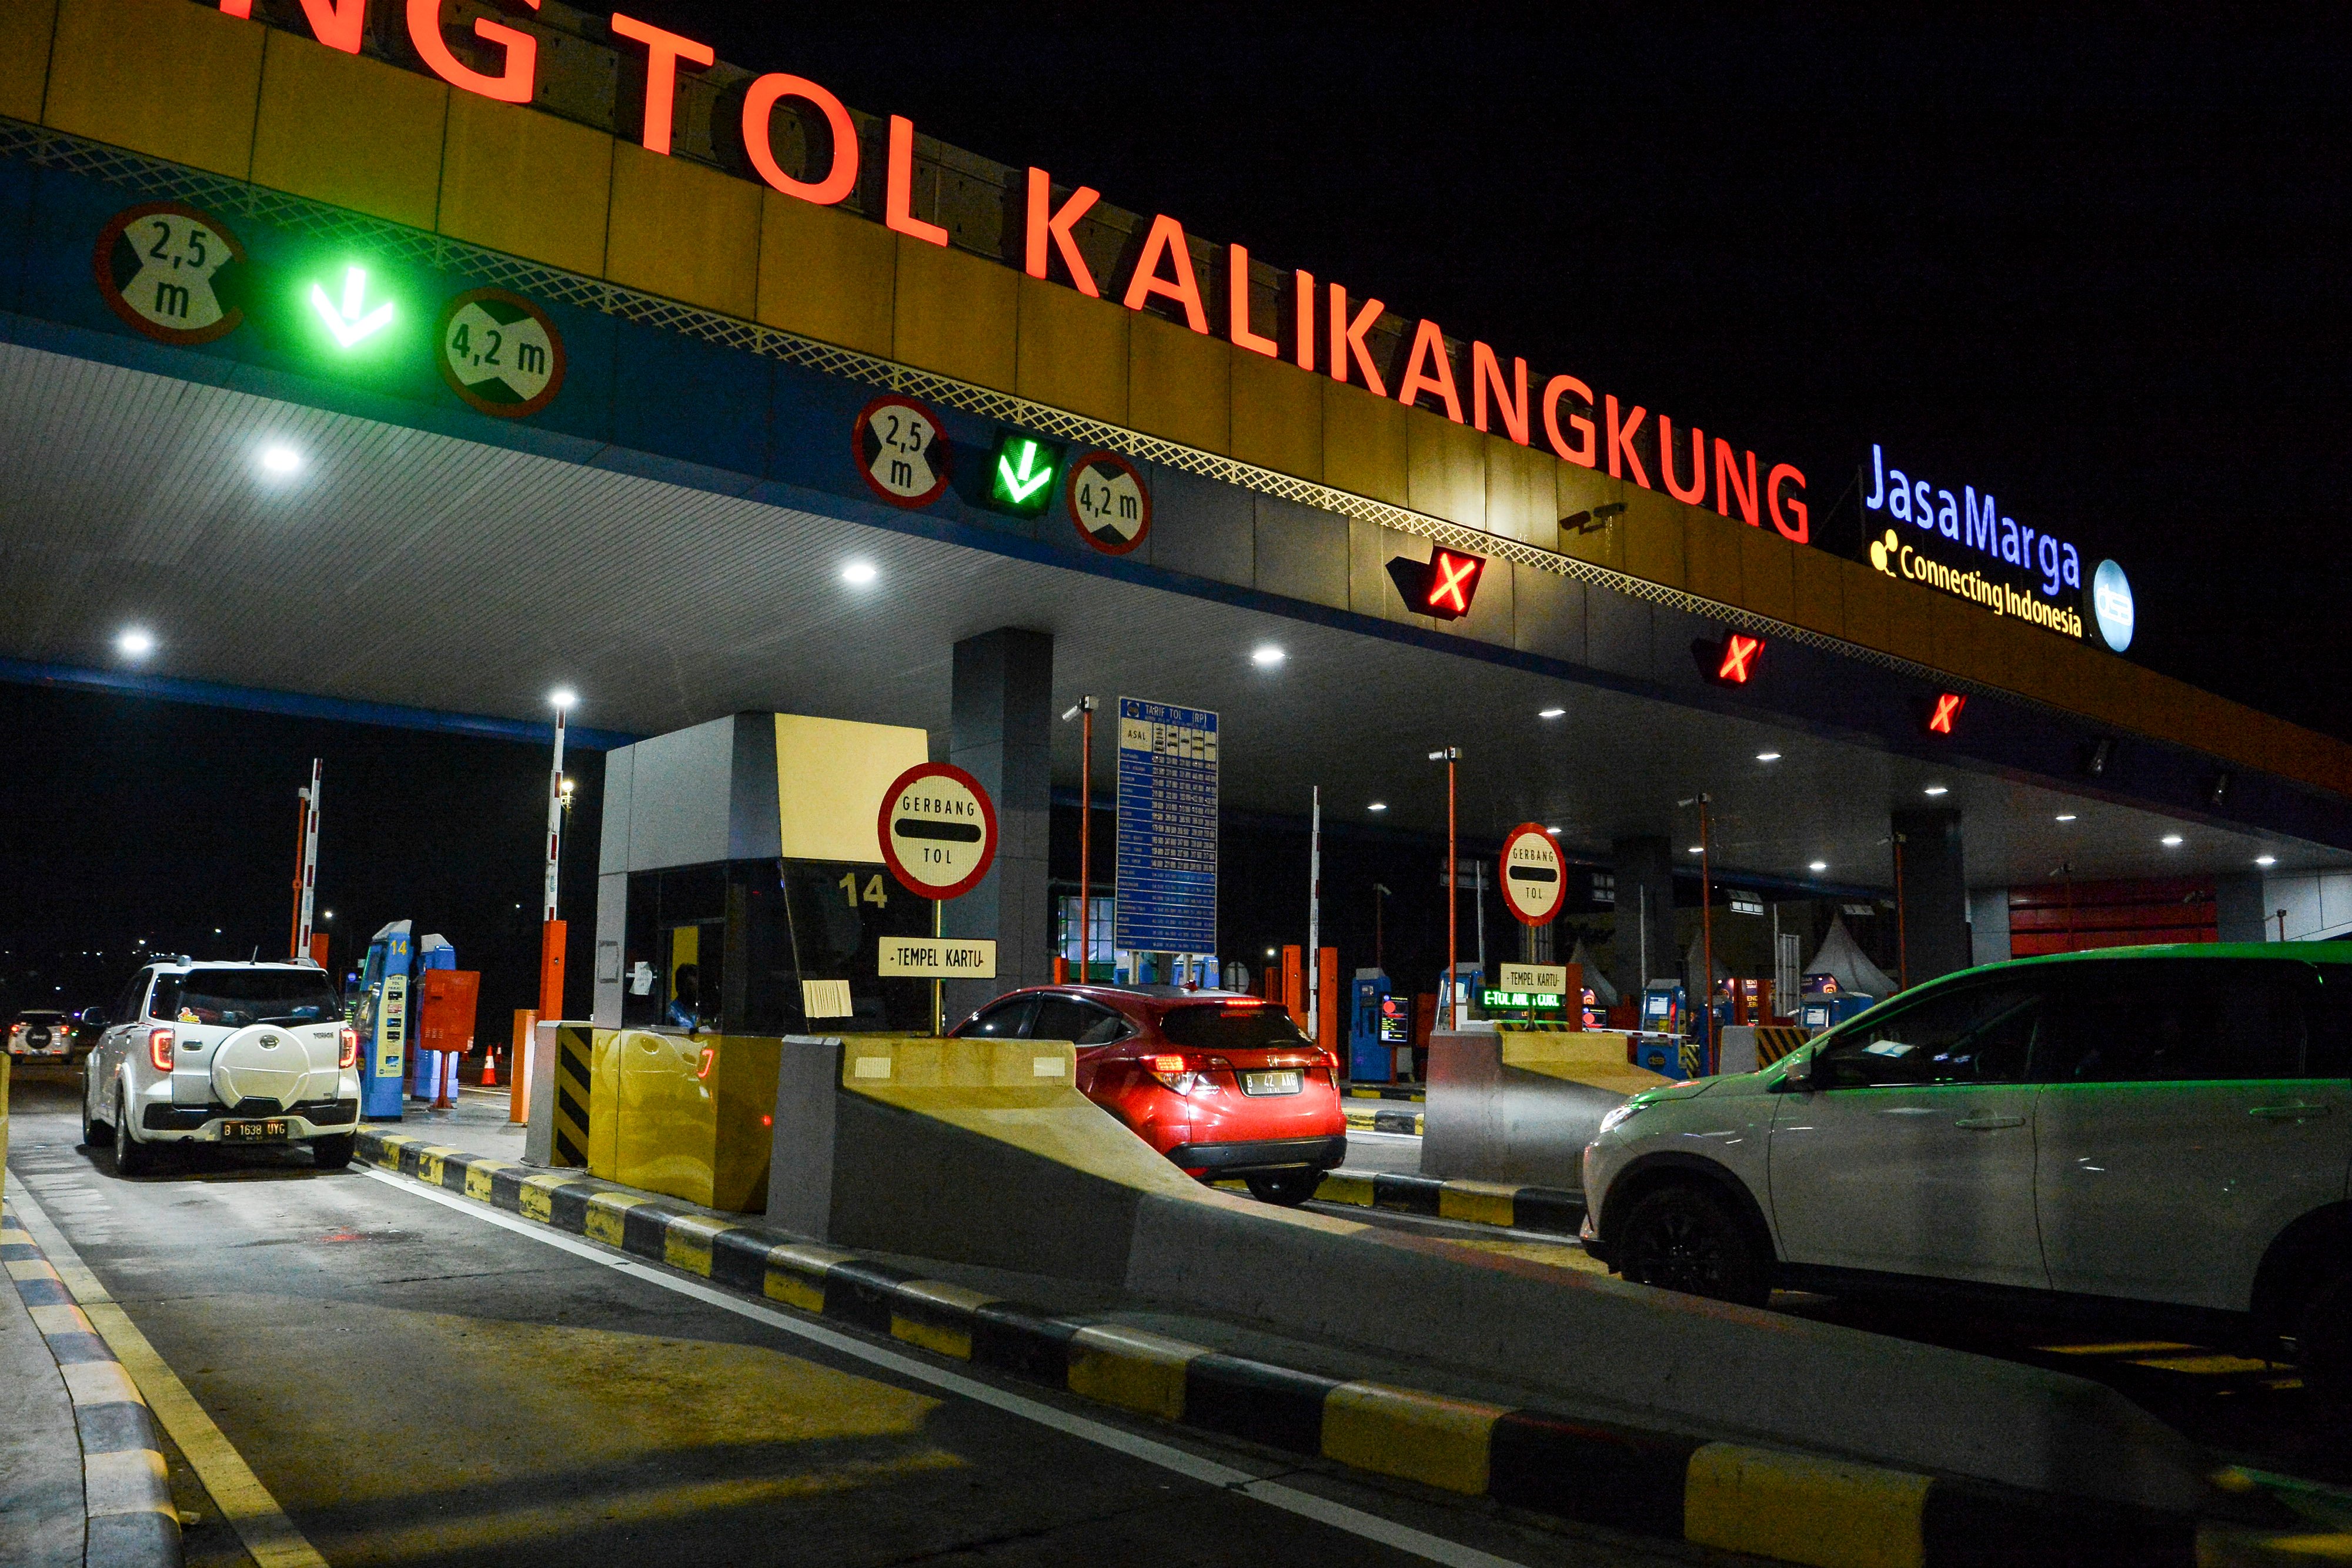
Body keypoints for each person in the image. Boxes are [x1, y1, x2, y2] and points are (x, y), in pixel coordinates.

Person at [666, 963, 701, 1029]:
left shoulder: (701, 1011)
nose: (695, 991)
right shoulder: (672, 1012)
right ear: (680, 987)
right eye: (690, 985)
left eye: (698, 986)